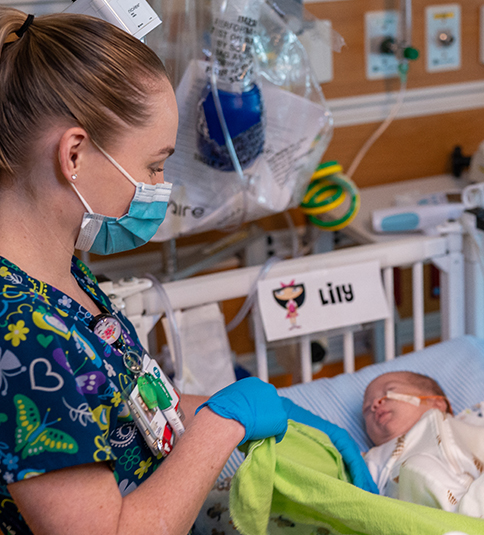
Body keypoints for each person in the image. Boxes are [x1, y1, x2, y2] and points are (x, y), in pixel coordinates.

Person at [0, 8, 374, 535]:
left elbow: (129, 408)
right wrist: (221, 428)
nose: (159, 186)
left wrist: (263, 411)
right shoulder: (23, 333)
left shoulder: (63, 280)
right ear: (75, 154)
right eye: (154, 166)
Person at [362, 371, 484, 526]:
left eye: (389, 392)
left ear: (436, 402)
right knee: (414, 467)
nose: (375, 405)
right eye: (366, 409)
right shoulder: (375, 457)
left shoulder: (471, 428)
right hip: (433, 517)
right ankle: (470, 514)